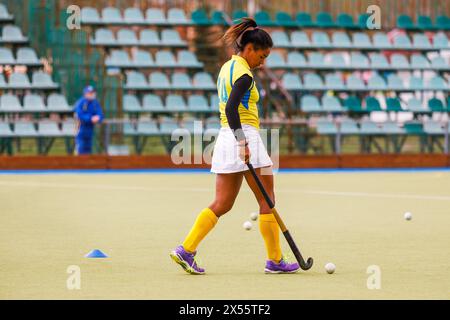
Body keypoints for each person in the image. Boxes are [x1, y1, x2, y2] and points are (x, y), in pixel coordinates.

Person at [170, 18, 300, 275]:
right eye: (262, 56)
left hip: (226, 137)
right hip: (244, 135)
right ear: (249, 48)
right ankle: (275, 261)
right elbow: (232, 108)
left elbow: (227, 110)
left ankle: (186, 249)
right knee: (267, 200)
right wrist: (243, 141)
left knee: (222, 203)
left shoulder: (226, 68)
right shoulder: (244, 74)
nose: (263, 62)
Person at [73, 85, 104, 155]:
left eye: (93, 93)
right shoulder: (81, 102)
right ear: (85, 94)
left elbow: (101, 115)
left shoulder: (95, 103)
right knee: (80, 148)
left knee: (88, 150)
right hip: (80, 129)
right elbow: (79, 115)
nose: (92, 94)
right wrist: (90, 118)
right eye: (90, 93)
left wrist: (98, 118)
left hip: (90, 129)